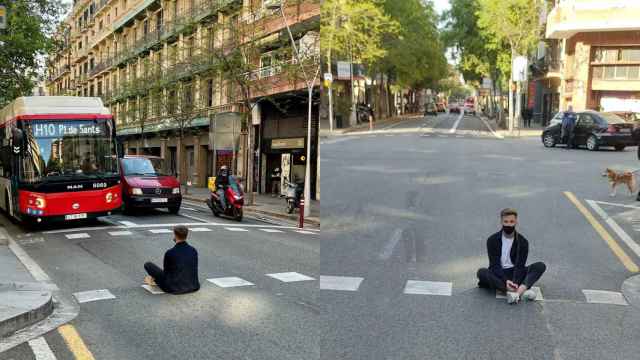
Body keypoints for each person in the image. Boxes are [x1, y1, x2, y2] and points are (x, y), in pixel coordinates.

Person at [477, 208, 546, 304]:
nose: (509, 224)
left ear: (516, 222)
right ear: (501, 222)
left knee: (540, 266)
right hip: (499, 273)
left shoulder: (523, 242)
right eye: (506, 221)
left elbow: (520, 266)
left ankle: (516, 293)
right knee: (481, 272)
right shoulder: (492, 240)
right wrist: (506, 281)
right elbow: (494, 265)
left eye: (511, 221)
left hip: (516, 272)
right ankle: (519, 291)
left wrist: (515, 281)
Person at [144, 225, 200, 294]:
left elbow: (166, 273)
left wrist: (156, 278)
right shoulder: (193, 250)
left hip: (173, 288)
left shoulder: (170, 252)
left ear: (175, 235)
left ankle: (153, 279)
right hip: (193, 286)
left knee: (148, 265)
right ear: (186, 235)